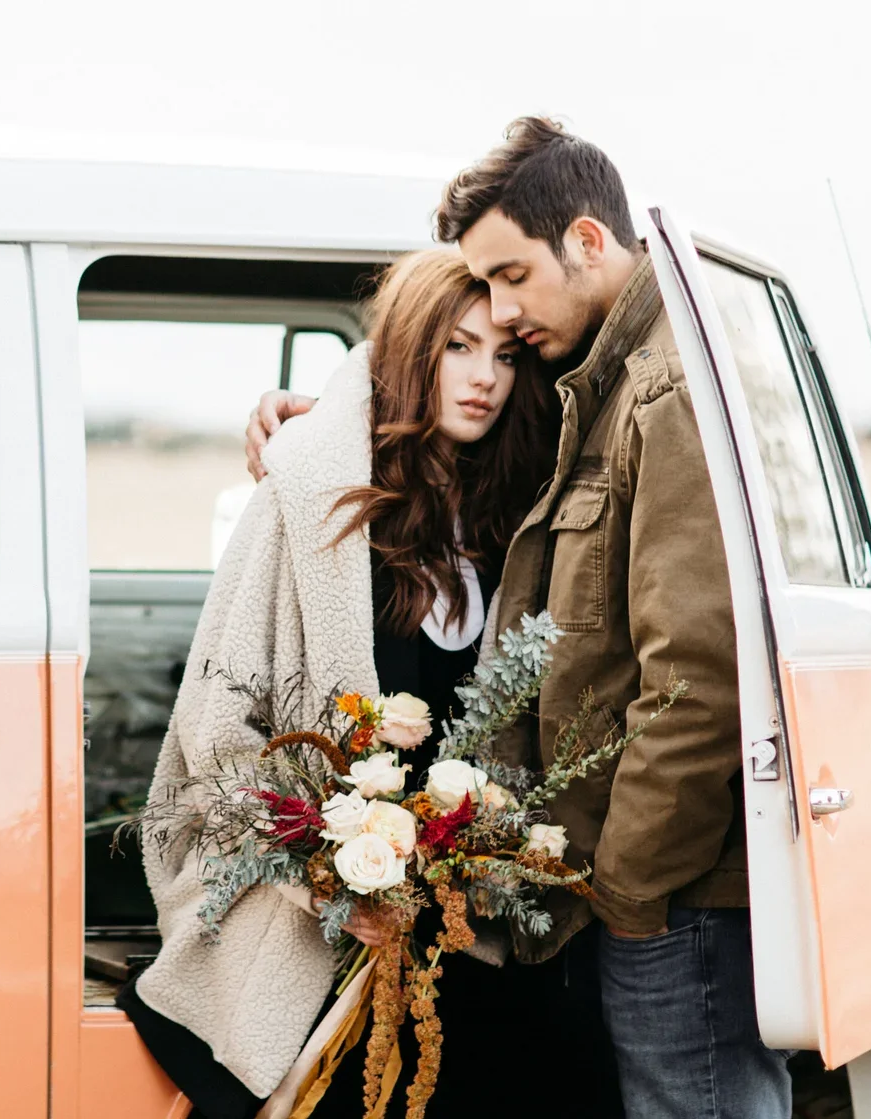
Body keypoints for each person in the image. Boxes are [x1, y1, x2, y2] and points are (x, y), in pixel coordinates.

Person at [247, 118, 792, 1118]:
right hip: (536, 912)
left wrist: (612, 895)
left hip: (626, 902)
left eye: (508, 290)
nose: (496, 342)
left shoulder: (649, 392)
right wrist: (319, 420)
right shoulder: (592, 386)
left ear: (586, 243)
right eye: (462, 336)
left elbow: (693, 681)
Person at [122, 250, 620, 1119]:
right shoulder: (309, 500)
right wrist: (322, 877)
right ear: (409, 353)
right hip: (330, 912)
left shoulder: (518, 520)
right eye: (457, 348)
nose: (483, 380)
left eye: (505, 356)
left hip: (471, 919)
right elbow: (218, 723)